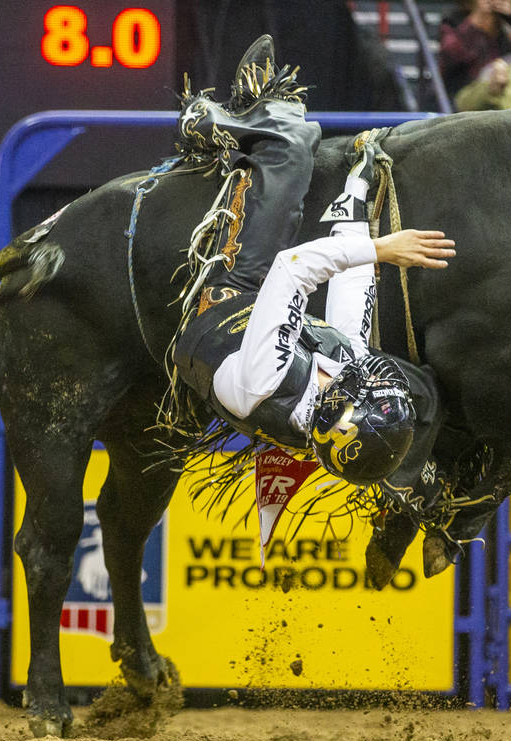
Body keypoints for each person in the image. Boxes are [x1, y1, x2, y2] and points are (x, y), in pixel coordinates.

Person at [171, 36, 456, 487]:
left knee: (292, 142)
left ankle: (210, 121)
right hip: (275, 323)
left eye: (370, 391)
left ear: (344, 407)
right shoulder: (339, 392)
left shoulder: (266, 381)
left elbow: (292, 270)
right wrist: (356, 190)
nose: (374, 377)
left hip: (230, 299)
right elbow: (351, 295)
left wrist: (382, 249)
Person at [438, 0, 511, 99]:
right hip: (460, 93)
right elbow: (450, 54)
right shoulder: (453, 20)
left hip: (503, 93)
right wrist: (475, 21)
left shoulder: (507, 24)